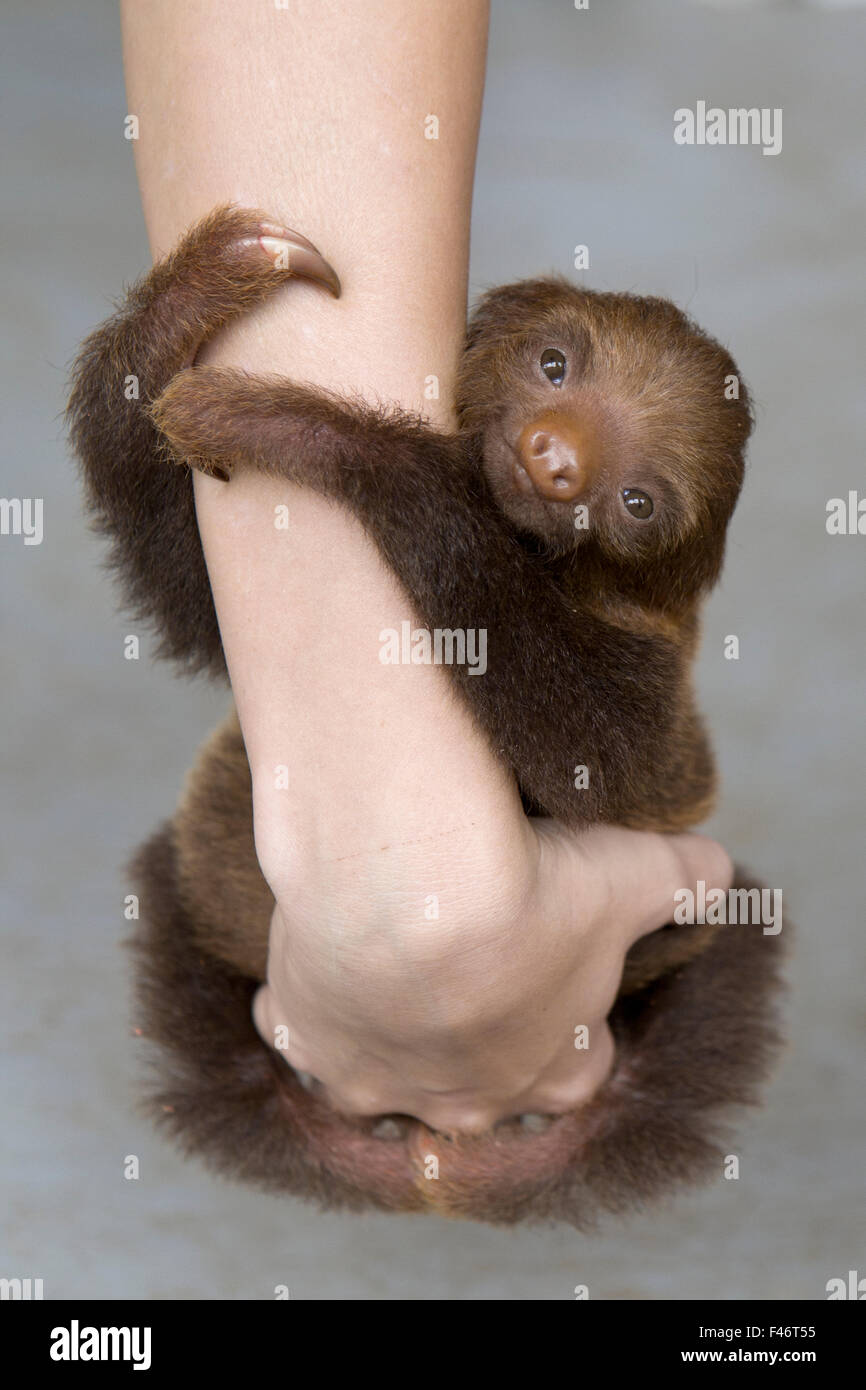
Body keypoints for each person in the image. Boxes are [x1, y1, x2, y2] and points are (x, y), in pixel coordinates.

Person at [121, 0, 732, 1136]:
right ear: (494, 334)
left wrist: (345, 450)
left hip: (575, 1027)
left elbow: (570, 744)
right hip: (267, 980)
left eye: (634, 501)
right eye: (552, 365)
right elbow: (202, 604)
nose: (562, 456)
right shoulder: (431, 426)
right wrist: (153, 342)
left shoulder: (619, 672)